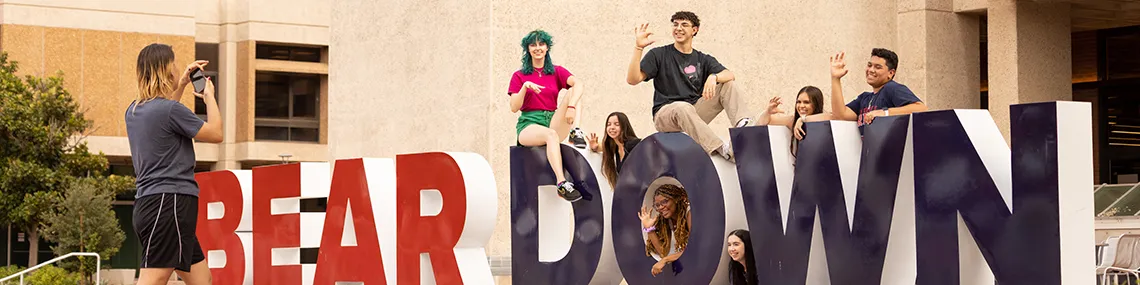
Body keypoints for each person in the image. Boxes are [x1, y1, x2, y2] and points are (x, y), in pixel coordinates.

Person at [125, 43, 219, 285]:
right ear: (167, 70)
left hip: (151, 204)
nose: (178, 68)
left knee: (202, 280)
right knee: (154, 279)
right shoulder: (169, 111)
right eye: (174, 63)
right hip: (170, 203)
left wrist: (183, 84)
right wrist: (209, 97)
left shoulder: (134, 111)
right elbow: (216, 133)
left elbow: (166, 114)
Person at [626, 11, 756, 163]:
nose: (678, 28)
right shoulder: (659, 54)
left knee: (728, 85)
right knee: (682, 107)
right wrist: (638, 48)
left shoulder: (702, 59)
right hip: (666, 115)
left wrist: (714, 77)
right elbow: (633, 79)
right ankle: (722, 149)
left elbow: (729, 74)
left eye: (684, 25)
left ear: (695, 30)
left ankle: (743, 127)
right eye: (675, 24)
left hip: (692, 112)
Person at [509, 30, 587, 202]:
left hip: (551, 120)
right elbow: (514, 107)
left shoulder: (556, 71)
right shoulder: (519, 75)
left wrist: (571, 106)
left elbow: (579, 84)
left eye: (541, 44)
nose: (537, 48)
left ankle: (576, 132)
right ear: (528, 49)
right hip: (529, 124)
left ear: (547, 48)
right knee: (550, 135)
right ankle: (561, 183)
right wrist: (525, 87)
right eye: (533, 45)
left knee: (575, 91)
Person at [828, 49, 927, 133]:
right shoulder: (864, 97)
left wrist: (885, 113)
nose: (871, 70)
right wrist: (835, 79)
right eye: (869, 65)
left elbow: (921, 108)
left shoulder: (891, 88)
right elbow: (840, 115)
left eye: (878, 67)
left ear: (890, 73)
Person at [757, 86, 831, 158]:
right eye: (798, 102)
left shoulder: (824, 120)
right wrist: (768, 112)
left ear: (816, 104)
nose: (801, 106)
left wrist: (803, 119)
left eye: (806, 102)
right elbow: (764, 123)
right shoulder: (793, 120)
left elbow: (833, 116)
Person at [639, 184, 692, 276]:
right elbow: (663, 253)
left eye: (665, 201)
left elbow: (693, 249)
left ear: (676, 199)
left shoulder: (688, 213)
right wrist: (649, 229)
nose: (661, 207)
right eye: (657, 205)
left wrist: (666, 260)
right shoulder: (668, 221)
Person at [587, 112, 641, 188]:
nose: (612, 127)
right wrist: (595, 147)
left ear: (624, 127)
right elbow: (603, 147)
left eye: (617, 124)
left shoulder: (633, 144)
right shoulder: (615, 147)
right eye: (609, 124)